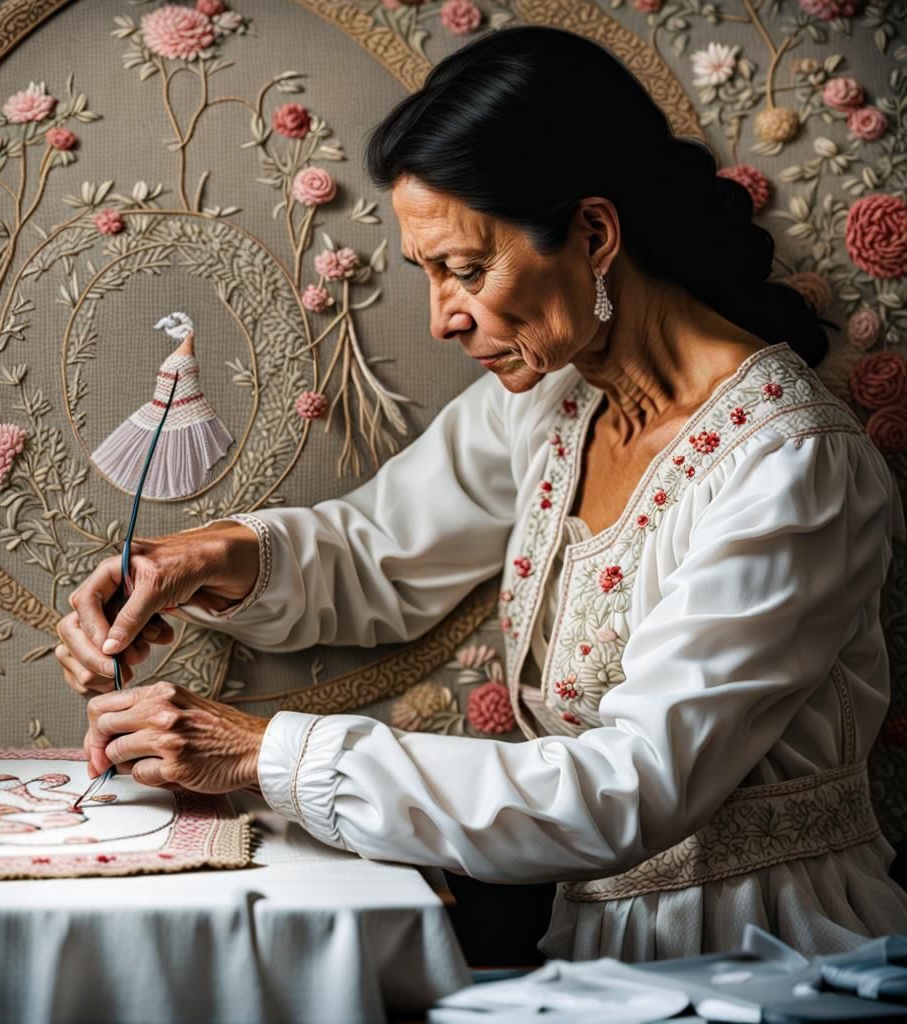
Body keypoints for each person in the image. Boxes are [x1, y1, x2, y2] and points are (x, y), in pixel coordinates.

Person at [55, 26, 907, 960]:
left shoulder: (791, 467)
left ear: (592, 234)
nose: (443, 318)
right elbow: (378, 549)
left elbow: (631, 787)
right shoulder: (553, 401)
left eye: (465, 269)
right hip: (587, 942)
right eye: (431, 274)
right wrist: (195, 559)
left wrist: (266, 754)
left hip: (768, 949)